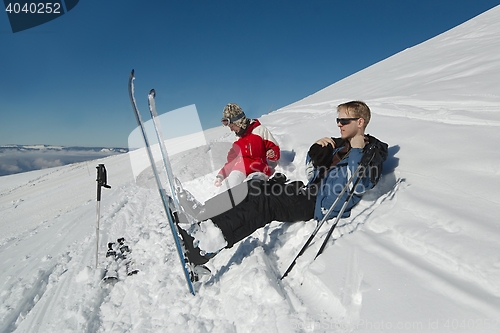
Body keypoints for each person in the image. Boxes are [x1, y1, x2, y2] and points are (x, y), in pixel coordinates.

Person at [178, 101, 388, 266]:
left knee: (265, 202)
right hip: (307, 191)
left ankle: (204, 249)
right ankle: (201, 214)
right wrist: (315, 151)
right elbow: (311, 173)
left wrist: (358, 151)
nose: (339, 125)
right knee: (254, 187)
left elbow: (357, 186)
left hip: (316, 205)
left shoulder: (371, 153)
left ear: (360, 122)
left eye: (344, 121)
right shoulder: (340, 146)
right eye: (338, 120)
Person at [215, 103, 281, 191]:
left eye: (232, 126)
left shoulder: (259, 130)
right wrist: (221, 176)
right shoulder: (237, 139)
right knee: (229, 186)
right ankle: (222, 203)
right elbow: (231, 161)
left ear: (239, 122)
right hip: (240, 169)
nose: (231, 129)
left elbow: (275, 148)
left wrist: (272, 153)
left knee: (252, 187)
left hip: (258, 169)